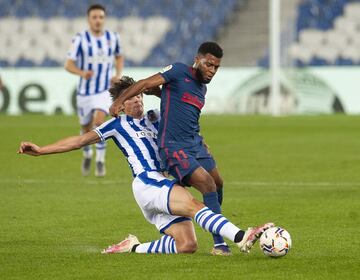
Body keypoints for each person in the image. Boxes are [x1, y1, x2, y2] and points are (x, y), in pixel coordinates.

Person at [18, 77, 274, 255]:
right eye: (131, 98)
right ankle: (242, 236)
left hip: (163, 183)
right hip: (148, 182)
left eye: (139, 95)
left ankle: (132, 247)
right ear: (121, 104)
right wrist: (41, 150)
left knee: (187, 245)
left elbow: (183, 121)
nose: (138, 100)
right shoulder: (116, 125)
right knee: (195, 205)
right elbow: (78, 141)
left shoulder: (157, 117)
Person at [109, 42, 231, 255]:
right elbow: (146, 83)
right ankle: (219, 243)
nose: (212, 71)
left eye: (216, 68)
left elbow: (177, 102)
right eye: (209, 65)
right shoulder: (178, 70)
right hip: (175, 146)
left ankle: (215, 227)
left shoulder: (202, 87)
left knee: (218, 183)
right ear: (198, 59)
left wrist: (200, 141)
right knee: (208, 184)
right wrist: (120, 100)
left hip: (195, 142)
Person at [65, 3, 124, 177]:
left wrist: (118, 74)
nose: (98, 20)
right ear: (89, 19)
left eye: (101, 17)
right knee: (85, 127)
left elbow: (119, 56)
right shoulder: (80, 39)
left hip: (104, 91)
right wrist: (82, 73)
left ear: (104, 19)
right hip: (85, 92)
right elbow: (68, 64)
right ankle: (87, 154)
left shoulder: (113, 38)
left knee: (99, 122)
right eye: (94, 17)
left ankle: (100, 160)